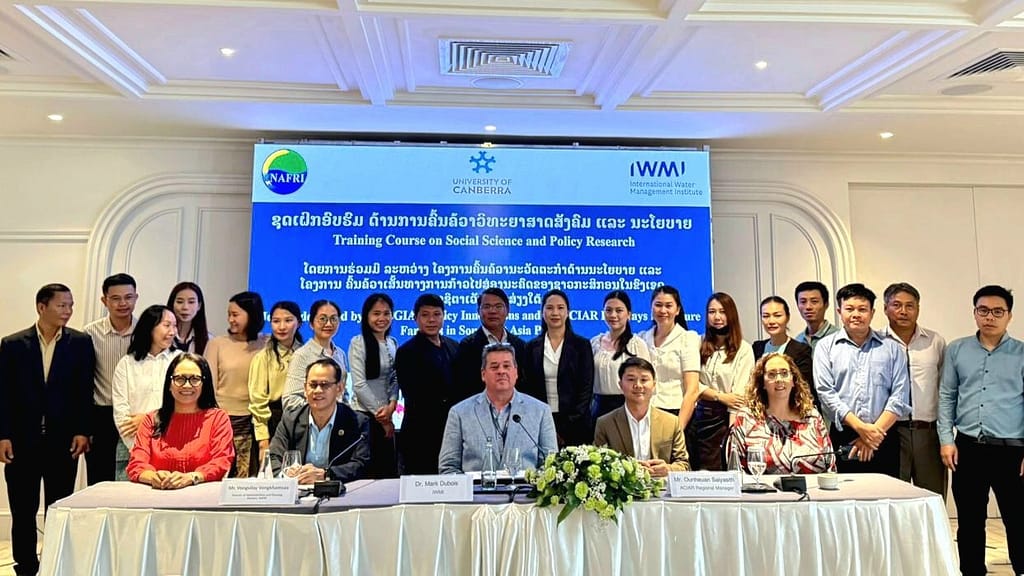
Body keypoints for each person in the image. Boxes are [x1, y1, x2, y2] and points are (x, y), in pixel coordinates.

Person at [0, 284, 94, 576]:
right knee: (23, 509)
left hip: (63, 441)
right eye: (61, 305)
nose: (67, 311)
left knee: (58, 508)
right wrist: (2, 435)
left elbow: (84, 390)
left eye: (70, 305)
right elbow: (3, 393)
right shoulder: (13, 344)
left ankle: (55, 561)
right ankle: (25, 566)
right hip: (21, 440)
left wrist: (82, 430)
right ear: (42, 307)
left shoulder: (80, 342)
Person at [939, 285, 1023, 576]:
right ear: (975, 313)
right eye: (983, 310)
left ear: (1009, 316)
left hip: (1013, 450)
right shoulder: (957, 350)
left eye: (998, 311)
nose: (990, 317)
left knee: (1018, 518)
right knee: (971, 519)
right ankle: (972, 571)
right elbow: (947, 395)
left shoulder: (1021, 353)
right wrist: (946, 440)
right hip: (969, 447)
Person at [814, 283, 910, 477]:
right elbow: (826, 392)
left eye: (862, 309)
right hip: (844, 435)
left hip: (884, 435)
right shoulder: (825, 347)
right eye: (849, 309)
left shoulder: (891, 348)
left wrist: (871, 435)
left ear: (872, 313)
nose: (856, 314)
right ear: (839, 311)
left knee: (885, 499)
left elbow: (899, 396)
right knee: (845, 500)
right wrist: (861, 428)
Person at [439, 343, 557, 474]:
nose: (501, 371)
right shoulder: (459, 413)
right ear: (483, 374)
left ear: (516, 372)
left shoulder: (540, 411)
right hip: (476, 493)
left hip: (524, 493)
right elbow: (448, 467)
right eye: (494, 367)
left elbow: (550, 466)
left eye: (506, 366)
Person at [127, 353, 234, 488]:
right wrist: (154, 477)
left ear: (204, 384)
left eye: (195, 379)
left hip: (202, 499)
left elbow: (221, 461)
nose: (187, 385)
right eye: (179, 379)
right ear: (169, 384)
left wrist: (191, 478)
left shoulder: (218, 419)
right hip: (158, 497)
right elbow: (136, 464)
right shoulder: (151, 420)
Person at [881, 283, 947, 498]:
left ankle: (933, 534)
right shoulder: (876, 342)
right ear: (885, 308)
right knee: (894, 499)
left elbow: (944, 389)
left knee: (932, 498)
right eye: (896, 305)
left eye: (910, 306)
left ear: (918, 308)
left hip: (928, 432)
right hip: (892, 433)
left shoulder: (935, 341)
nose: (903, 311)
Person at [728, 353, 833, 474]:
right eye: (771, 374)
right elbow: (735, 471)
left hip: (813, 491)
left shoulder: (812, 417)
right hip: (762, 491)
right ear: (763, 383)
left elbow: (830, 465)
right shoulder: (746, 418)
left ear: (793, 380)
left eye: (784, 373)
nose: (779, 379)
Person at [269, 358, 370, 482]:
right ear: (305, 389)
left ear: (339, 388)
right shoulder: (291, 420)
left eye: (324, 385)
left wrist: (326, 475)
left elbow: (361, 464)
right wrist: (286, 474)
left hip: (340, 494)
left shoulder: (357, 422)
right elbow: (275, 456)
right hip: (298, 491)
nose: (317, 390)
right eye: (313, 385)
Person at [111, 305, 180, 480]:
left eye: (175, 325)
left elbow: (184, 406)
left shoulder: (181, 360)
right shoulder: (127, 363)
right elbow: (122, 416)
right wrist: (139, 450)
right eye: (166, 325)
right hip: (131, 448)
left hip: (173, 446)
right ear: (150, 327)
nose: (172, 331)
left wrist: (151, 418)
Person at [83, 273, 138, 484]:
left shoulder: (146, 331)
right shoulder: (90, 333)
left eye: (129, 297)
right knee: (99, 478)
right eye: (115, 298)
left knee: (133, 477)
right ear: (104, 300)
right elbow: (82, 382)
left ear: (136, 298)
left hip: (135, 417)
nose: (123, 303)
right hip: (101, 415)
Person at [395, 294, 459, 475]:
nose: (432, 320)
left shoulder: (454, 346)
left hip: (451, 430)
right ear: (415, 318)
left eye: (437, 314)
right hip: (421, 433)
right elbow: (414, 394)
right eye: (425, 315)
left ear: (444, 316)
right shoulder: (407, 352)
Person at [594, 357, 690, 476]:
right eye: (631, 379)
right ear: (620, 385)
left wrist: (668, 469)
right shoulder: (605, 423)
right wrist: (626, 468)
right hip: (623, 491)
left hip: (662, 489)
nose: (638, 385)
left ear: (654, 385)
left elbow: (684, 464)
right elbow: (597, 465)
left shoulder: (671, 422)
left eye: (644, 380)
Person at [205, 291, 266, 477]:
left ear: (252, 314)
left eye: (235, 314)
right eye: (229, 314)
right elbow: (208, 386)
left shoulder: (267, 343)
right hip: (223, 419)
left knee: (249, 478)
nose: (230, 319)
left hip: (255, 422)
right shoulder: (217, 344)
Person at [524, 289, 594, 446]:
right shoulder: (530, 348)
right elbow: (527, 389)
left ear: (568, 312)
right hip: (539, 422)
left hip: (576, 425)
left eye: (560, 308)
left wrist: (564, 427)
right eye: (549, 308)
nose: (555, 312)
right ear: (542, 313)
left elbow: (586, 390)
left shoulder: (581, 346)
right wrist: (546, 425)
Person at [693, 292, 754, 470]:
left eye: (722, 311)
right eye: (712, 312)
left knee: (721, 469)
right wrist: (719, 396)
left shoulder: (744, 349)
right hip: (699, 417)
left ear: (731, 314)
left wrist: (732, 436)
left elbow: (737, 398)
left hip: (725, 420)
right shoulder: (698, 343)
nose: (717, 317)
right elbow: (692, 383)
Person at [638, 285, 701, 437]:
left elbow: (692, 390)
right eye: (658, 305)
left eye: (668, 306)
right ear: (651, 308)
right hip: (646, 414)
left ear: (678, 310)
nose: (663, 310)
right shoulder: (641, 338)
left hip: (677, 414)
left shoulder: (688, 338)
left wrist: (678, 429)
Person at [348, 293, 399, 478]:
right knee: (368, 474)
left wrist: (392, 404)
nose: (382, 318)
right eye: (376, 313)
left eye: (387, 313)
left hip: (387, 416)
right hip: (365, 417)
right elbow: (359, 385)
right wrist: (382, 417)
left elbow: (395, 379)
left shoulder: (392, 343)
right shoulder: (358, 343)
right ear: (366, 316)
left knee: (388, 473)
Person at [248, 301, 303, 466]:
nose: (282, 326)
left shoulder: (306, 354)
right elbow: (257, 402)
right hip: (272, 421)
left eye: (288, 320)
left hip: (301, 421)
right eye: (276, 321)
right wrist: (263, 439)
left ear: (299, 323)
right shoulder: (263, 357)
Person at [453, 287, 530, 403]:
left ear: (507, 310)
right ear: (478, 311)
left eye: (498, 306)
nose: (492, 311)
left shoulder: (520, 346)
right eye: (487, 307)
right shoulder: (467, 346)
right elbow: (463, 387)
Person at [591, 290, 651, 421]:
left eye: (619, 310)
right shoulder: (595, 343)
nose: (613, 315)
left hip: (627, 408)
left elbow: (647, 381)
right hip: (598, 408)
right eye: (608, 310)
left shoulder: (637, 344)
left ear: (629, 314)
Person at [751, 296, 815, 408]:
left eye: (777, 315)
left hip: (794, 410)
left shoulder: (801, 350)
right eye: (766, 316)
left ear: (787, 317)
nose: (771, 321)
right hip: (763, 410)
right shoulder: (757, 348)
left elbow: (804, 388)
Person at [284, 299, 348, 410]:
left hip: (339, 422)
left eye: (334, 319)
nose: (328, 324)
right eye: (322, 319)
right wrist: (321, 411)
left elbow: (343, 394)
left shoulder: (340, 354)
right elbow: (290, 400)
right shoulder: (302, 355)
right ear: (311, 324)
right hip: (312, 423)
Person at [167, 282, 211, 355]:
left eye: (191, 302)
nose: (185, 307)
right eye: (180, 302)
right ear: (172, 304)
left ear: (199, 306)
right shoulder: (161, 335)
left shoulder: (209, 340)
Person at [794, 281, 839, 350]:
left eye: (814, 301)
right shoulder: (798, 340)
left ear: (826, 304)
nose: (808, 307)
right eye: (803, 302)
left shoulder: (837, 337)